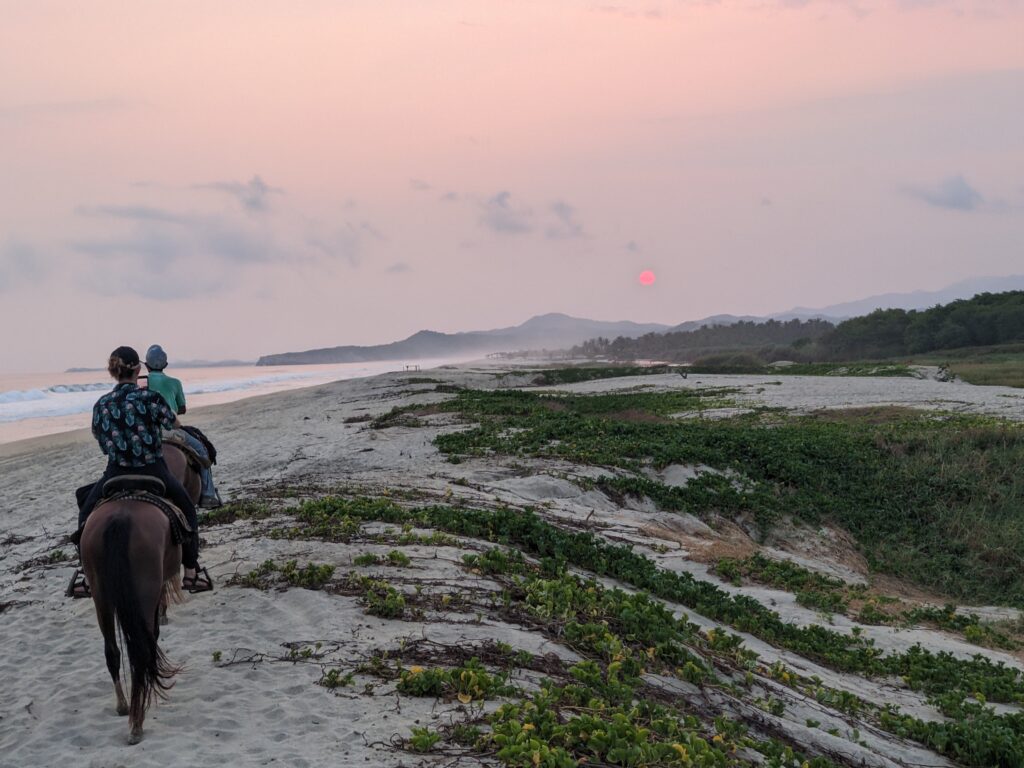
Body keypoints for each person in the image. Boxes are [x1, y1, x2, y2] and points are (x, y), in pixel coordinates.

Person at [70, 346, 212, 596]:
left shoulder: (101, 404)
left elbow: (101, 441)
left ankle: (84, 574)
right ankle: (192, 572)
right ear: (138, 369)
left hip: (115, 472)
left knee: (85, 512)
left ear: (113, 372)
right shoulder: (150, 399)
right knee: (188, 510)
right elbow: (173, 423)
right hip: (153, 469)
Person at [144, 344, 223, 508]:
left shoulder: (142, 383)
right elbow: (182, 409)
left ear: (146, 365)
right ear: (165, 364)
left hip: (148, 432)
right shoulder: (175, 382)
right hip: (172, 430)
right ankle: (208, 495)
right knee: (201, 449)